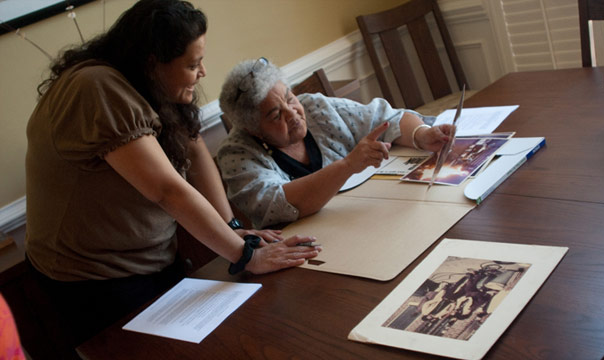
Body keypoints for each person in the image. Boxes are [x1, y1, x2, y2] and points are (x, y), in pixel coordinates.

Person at [24, 1, 319, 357]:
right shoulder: (95, 86)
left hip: (153, 258)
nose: (203, 72)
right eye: (192, 64)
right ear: (152, 63)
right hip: (93, 280)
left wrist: (232, 226)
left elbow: (193, 149)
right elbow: (166, 189)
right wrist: (246, 256)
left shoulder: (156, 88)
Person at [217, 58, 454, 229]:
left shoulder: (315, 107)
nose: (293, 113)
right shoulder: (236, 153)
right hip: (309, 247)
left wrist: (421, 135)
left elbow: (384, 117)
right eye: (275, 115)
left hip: (366, 220)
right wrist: (347, 165)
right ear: (253, 129)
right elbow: (276, 202)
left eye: (290, 98)